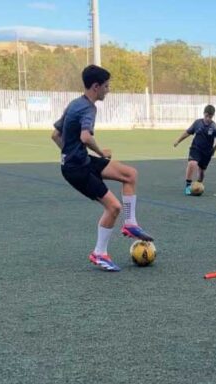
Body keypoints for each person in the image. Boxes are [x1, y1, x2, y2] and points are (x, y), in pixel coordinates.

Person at [52, 65, 153, 272]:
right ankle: (99, 253)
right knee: (113, 207)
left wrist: (69, 151)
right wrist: (101, 153)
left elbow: (55, 135)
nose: (108, 90)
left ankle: (130, 223)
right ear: (96, 87)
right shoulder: (89, 107)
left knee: (130, 174)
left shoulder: (75, 103)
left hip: (80, 160)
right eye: (106, 86)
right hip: (76, 169)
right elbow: (86, 137)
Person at [173, 105, 216, 195]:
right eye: (206, 116)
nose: (208, 118)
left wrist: (214, 150)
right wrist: (178, 141)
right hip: (195, 148)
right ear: (204, 114)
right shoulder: (197, 123)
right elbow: (187, 133)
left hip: (207, 152)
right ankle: (188, 186)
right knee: (192, 163)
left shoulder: (214, 127)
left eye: (210, 117)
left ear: (213, 116)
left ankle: (198, 185)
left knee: (201, 171)